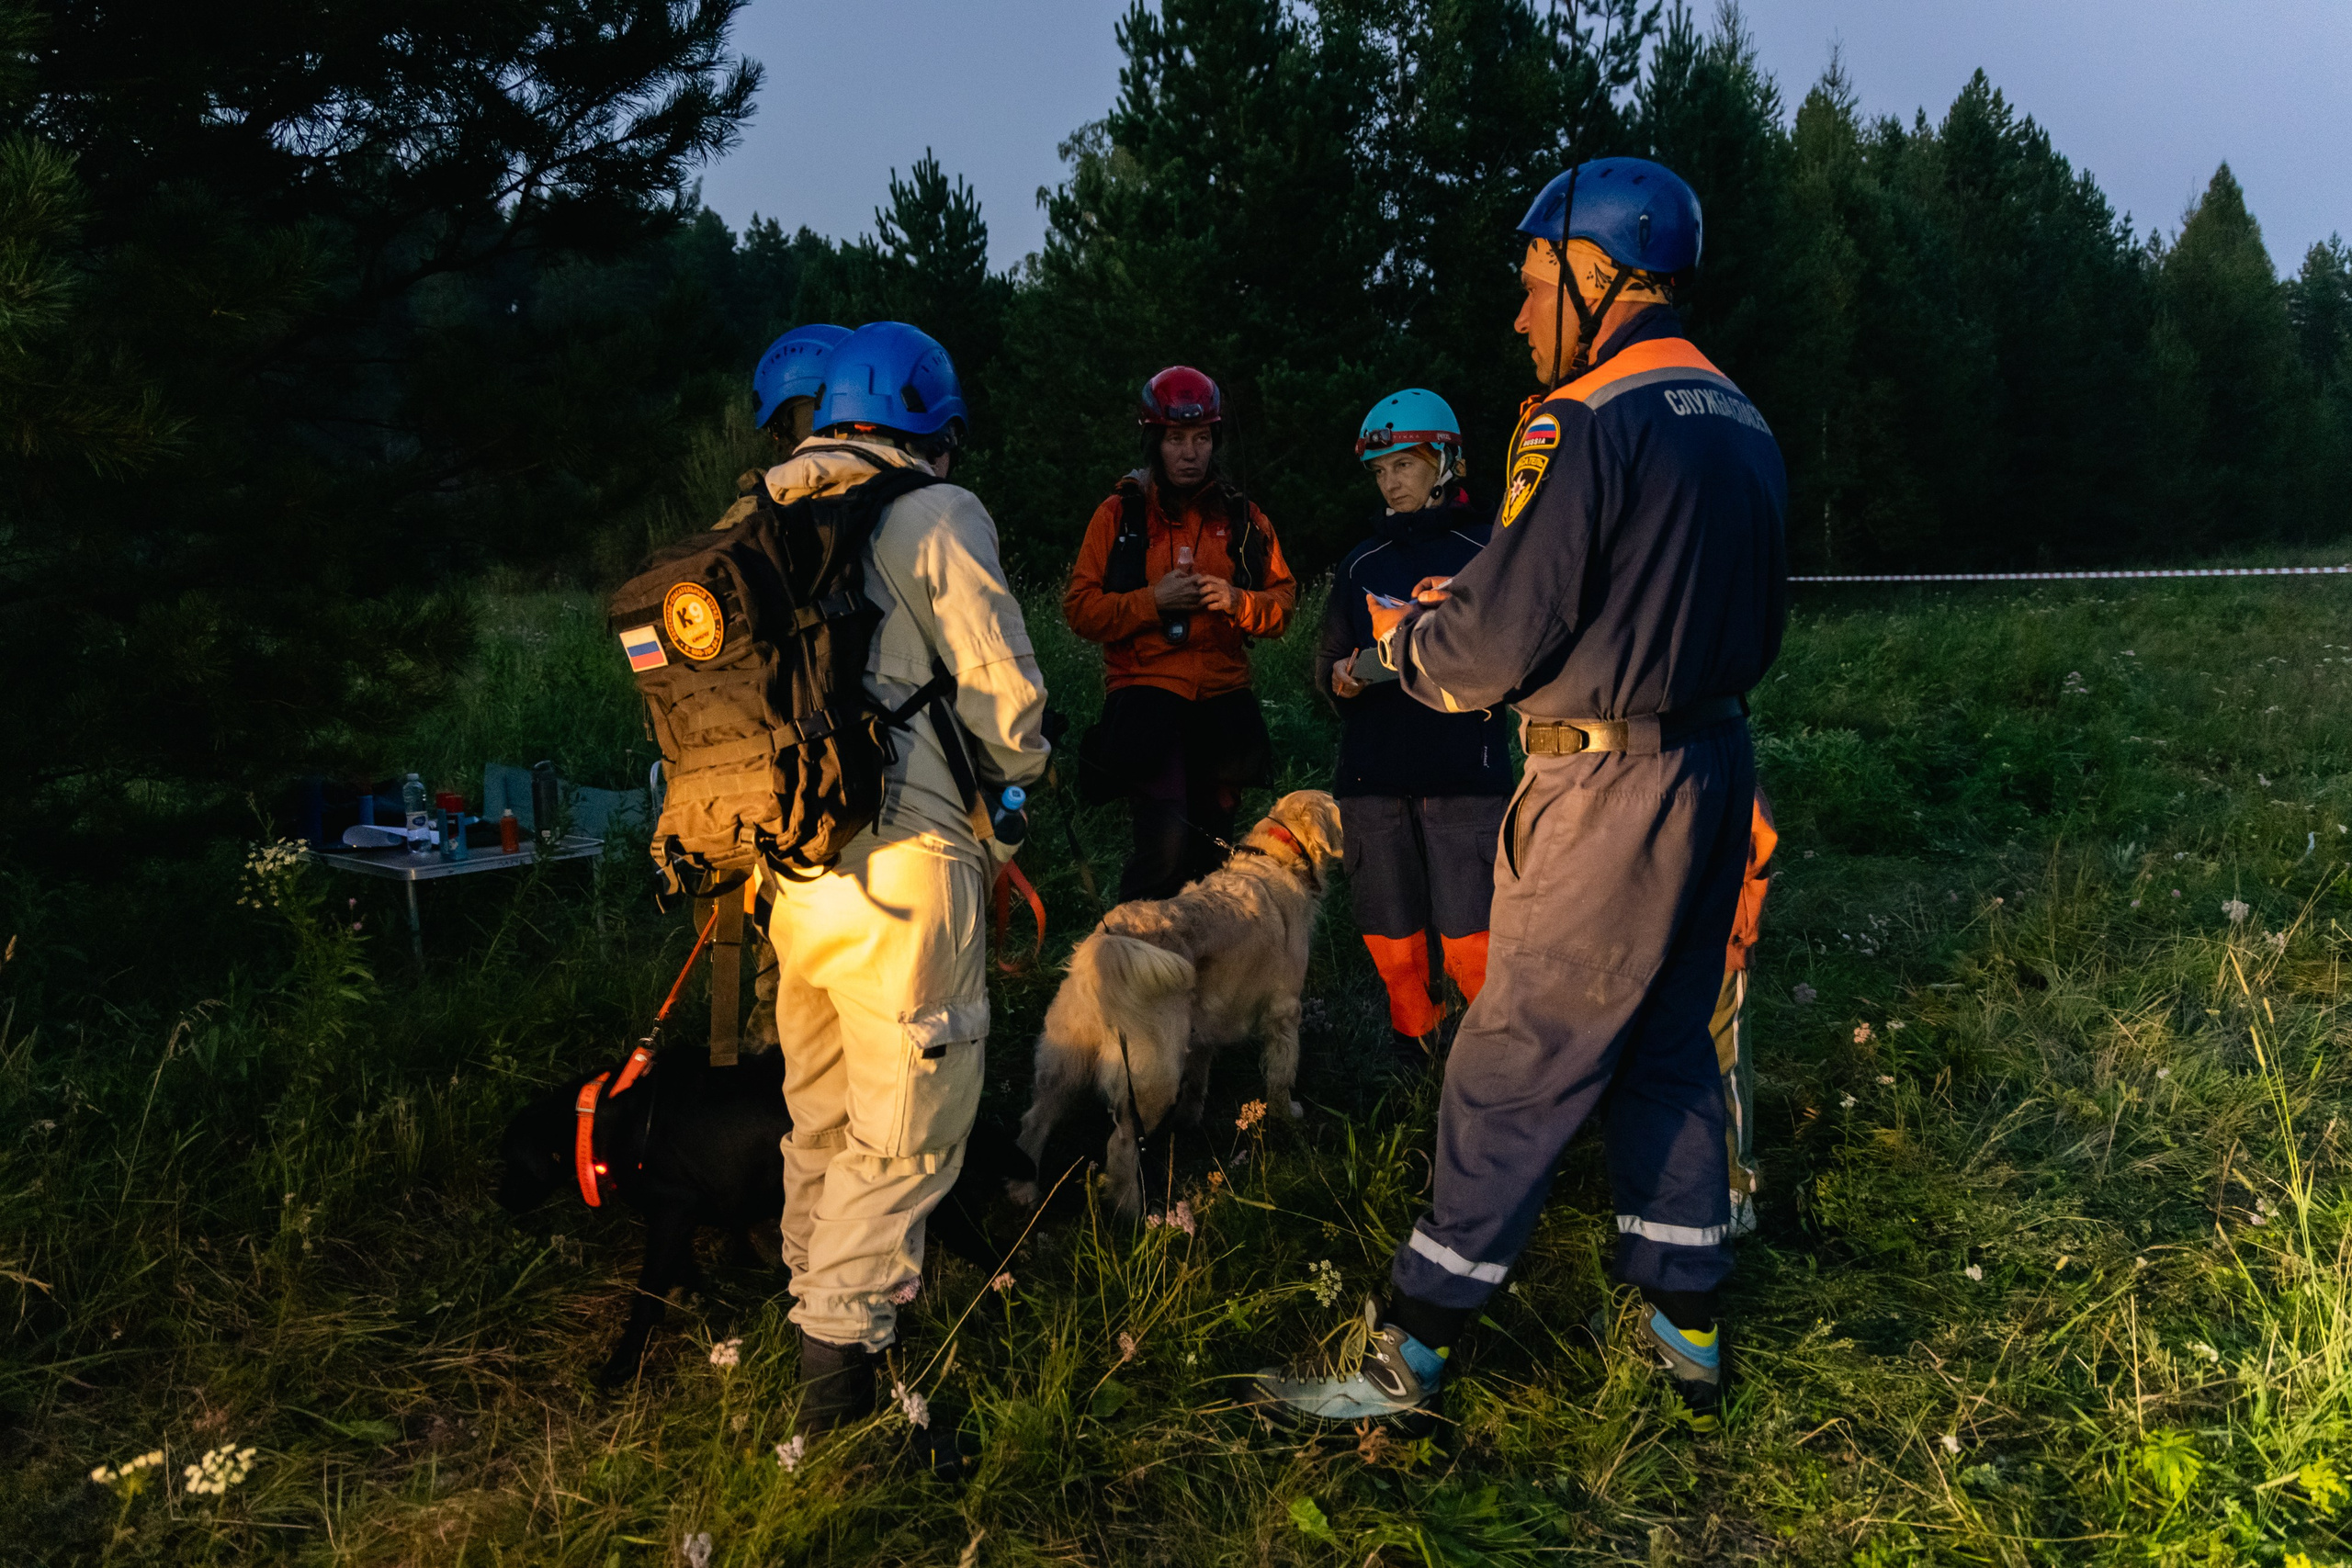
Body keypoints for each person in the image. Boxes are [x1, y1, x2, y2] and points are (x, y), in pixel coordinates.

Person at [1258, 157, 1788, 1433]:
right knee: (1667, 1044)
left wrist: (1405, 655)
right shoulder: (1741, 416)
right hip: (1712, 764)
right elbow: (1737, 612)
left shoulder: (1581, 414)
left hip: (1602, 781)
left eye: (1534, 280)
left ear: (1599, 272)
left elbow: (1492, 640)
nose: (1519, 312)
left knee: (1509, 1055)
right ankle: (1687, 1324)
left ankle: (1411, 1352)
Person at [755, 321, 1051, 1431]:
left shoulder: (760, 515)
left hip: (793, 871)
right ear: (934, 426)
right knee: (908, 1133)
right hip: (910, 864)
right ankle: (842, 1409)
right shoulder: (934, 513)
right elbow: (1004, 696)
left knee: (822, 1115)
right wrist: (1016, 791)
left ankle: (810, 1321)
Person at [1314, 389, 1509, 1070]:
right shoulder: (1362, 563)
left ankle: (1492, 1076)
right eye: (1380, 471)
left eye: (1403, 465)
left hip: (1464, 775)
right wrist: (1340, 676)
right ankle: (1414, 1068)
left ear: (1445, 462)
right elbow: (1324, 662)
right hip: (1373, 777)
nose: (1390, 482)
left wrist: (1405, 654)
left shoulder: (1488, 549)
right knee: (1392, 940)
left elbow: (1508, 653)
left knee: (1474, 943)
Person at [1063, 366, 1297, 902]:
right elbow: (1079, 610)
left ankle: (1200, 977)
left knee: (1213, 858)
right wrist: (1154, 602)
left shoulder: (1243, 517)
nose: (1190, 452)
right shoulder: (1118, 515)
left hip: (1222, 700)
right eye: (1175, 439)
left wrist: (1241, 604)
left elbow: (1283, 605)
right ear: (1154, 441)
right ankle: (1130, 966)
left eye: (1201, 438)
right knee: (1164, 848)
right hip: (1146, 697)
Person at [739, 323, 853, 1052]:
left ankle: (766, 1109)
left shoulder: (746, 517)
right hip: (842, 776)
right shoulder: (871, 511)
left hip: (760, 781)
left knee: (782, 975)